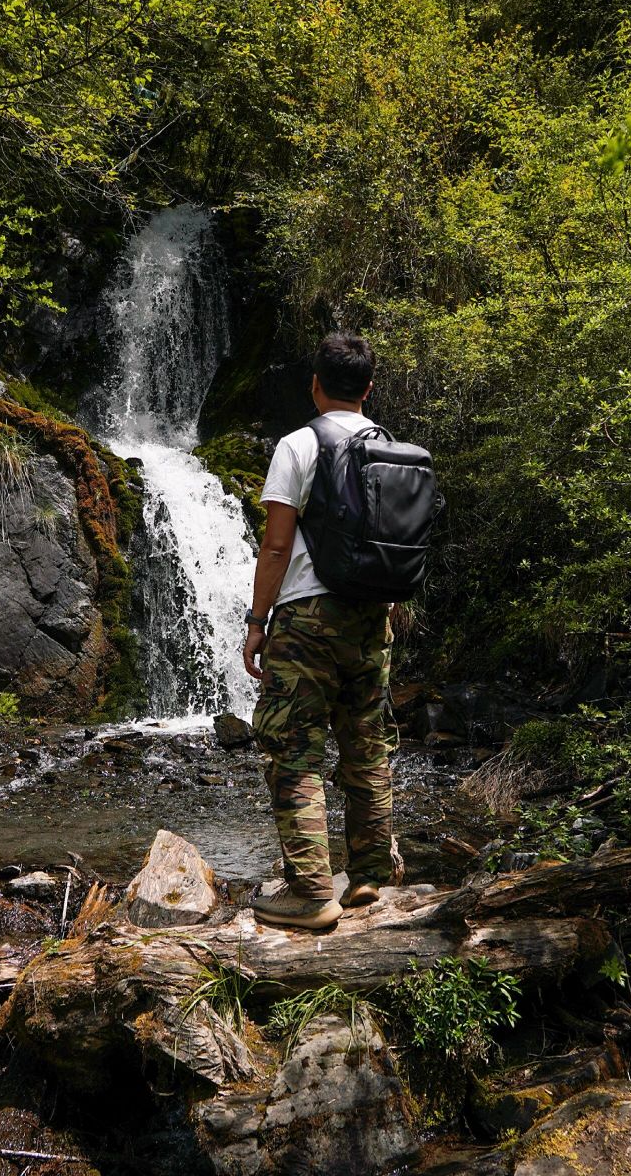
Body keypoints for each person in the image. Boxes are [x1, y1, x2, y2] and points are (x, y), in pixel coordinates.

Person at [242, 332, 399, 930]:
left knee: (293, 750)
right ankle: (369, 878)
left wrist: (257, 622)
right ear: (368, 388)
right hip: (372, 617)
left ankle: (311, 894)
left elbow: (277, 543)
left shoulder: (300, 444)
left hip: (308, 619)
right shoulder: (390, 447)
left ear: (314, 384)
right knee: (367, 747)